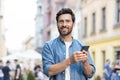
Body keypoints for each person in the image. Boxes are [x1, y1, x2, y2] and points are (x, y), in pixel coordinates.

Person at [42, 8, 96, 80]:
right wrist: (69, 61)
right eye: (61, 21)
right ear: (57, 24)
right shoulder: (48, 46)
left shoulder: (81, 46)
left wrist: (85, 63)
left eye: (67, 21)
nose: (64, 24)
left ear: (73, 24)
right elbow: (47, 70)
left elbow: (90, 74)